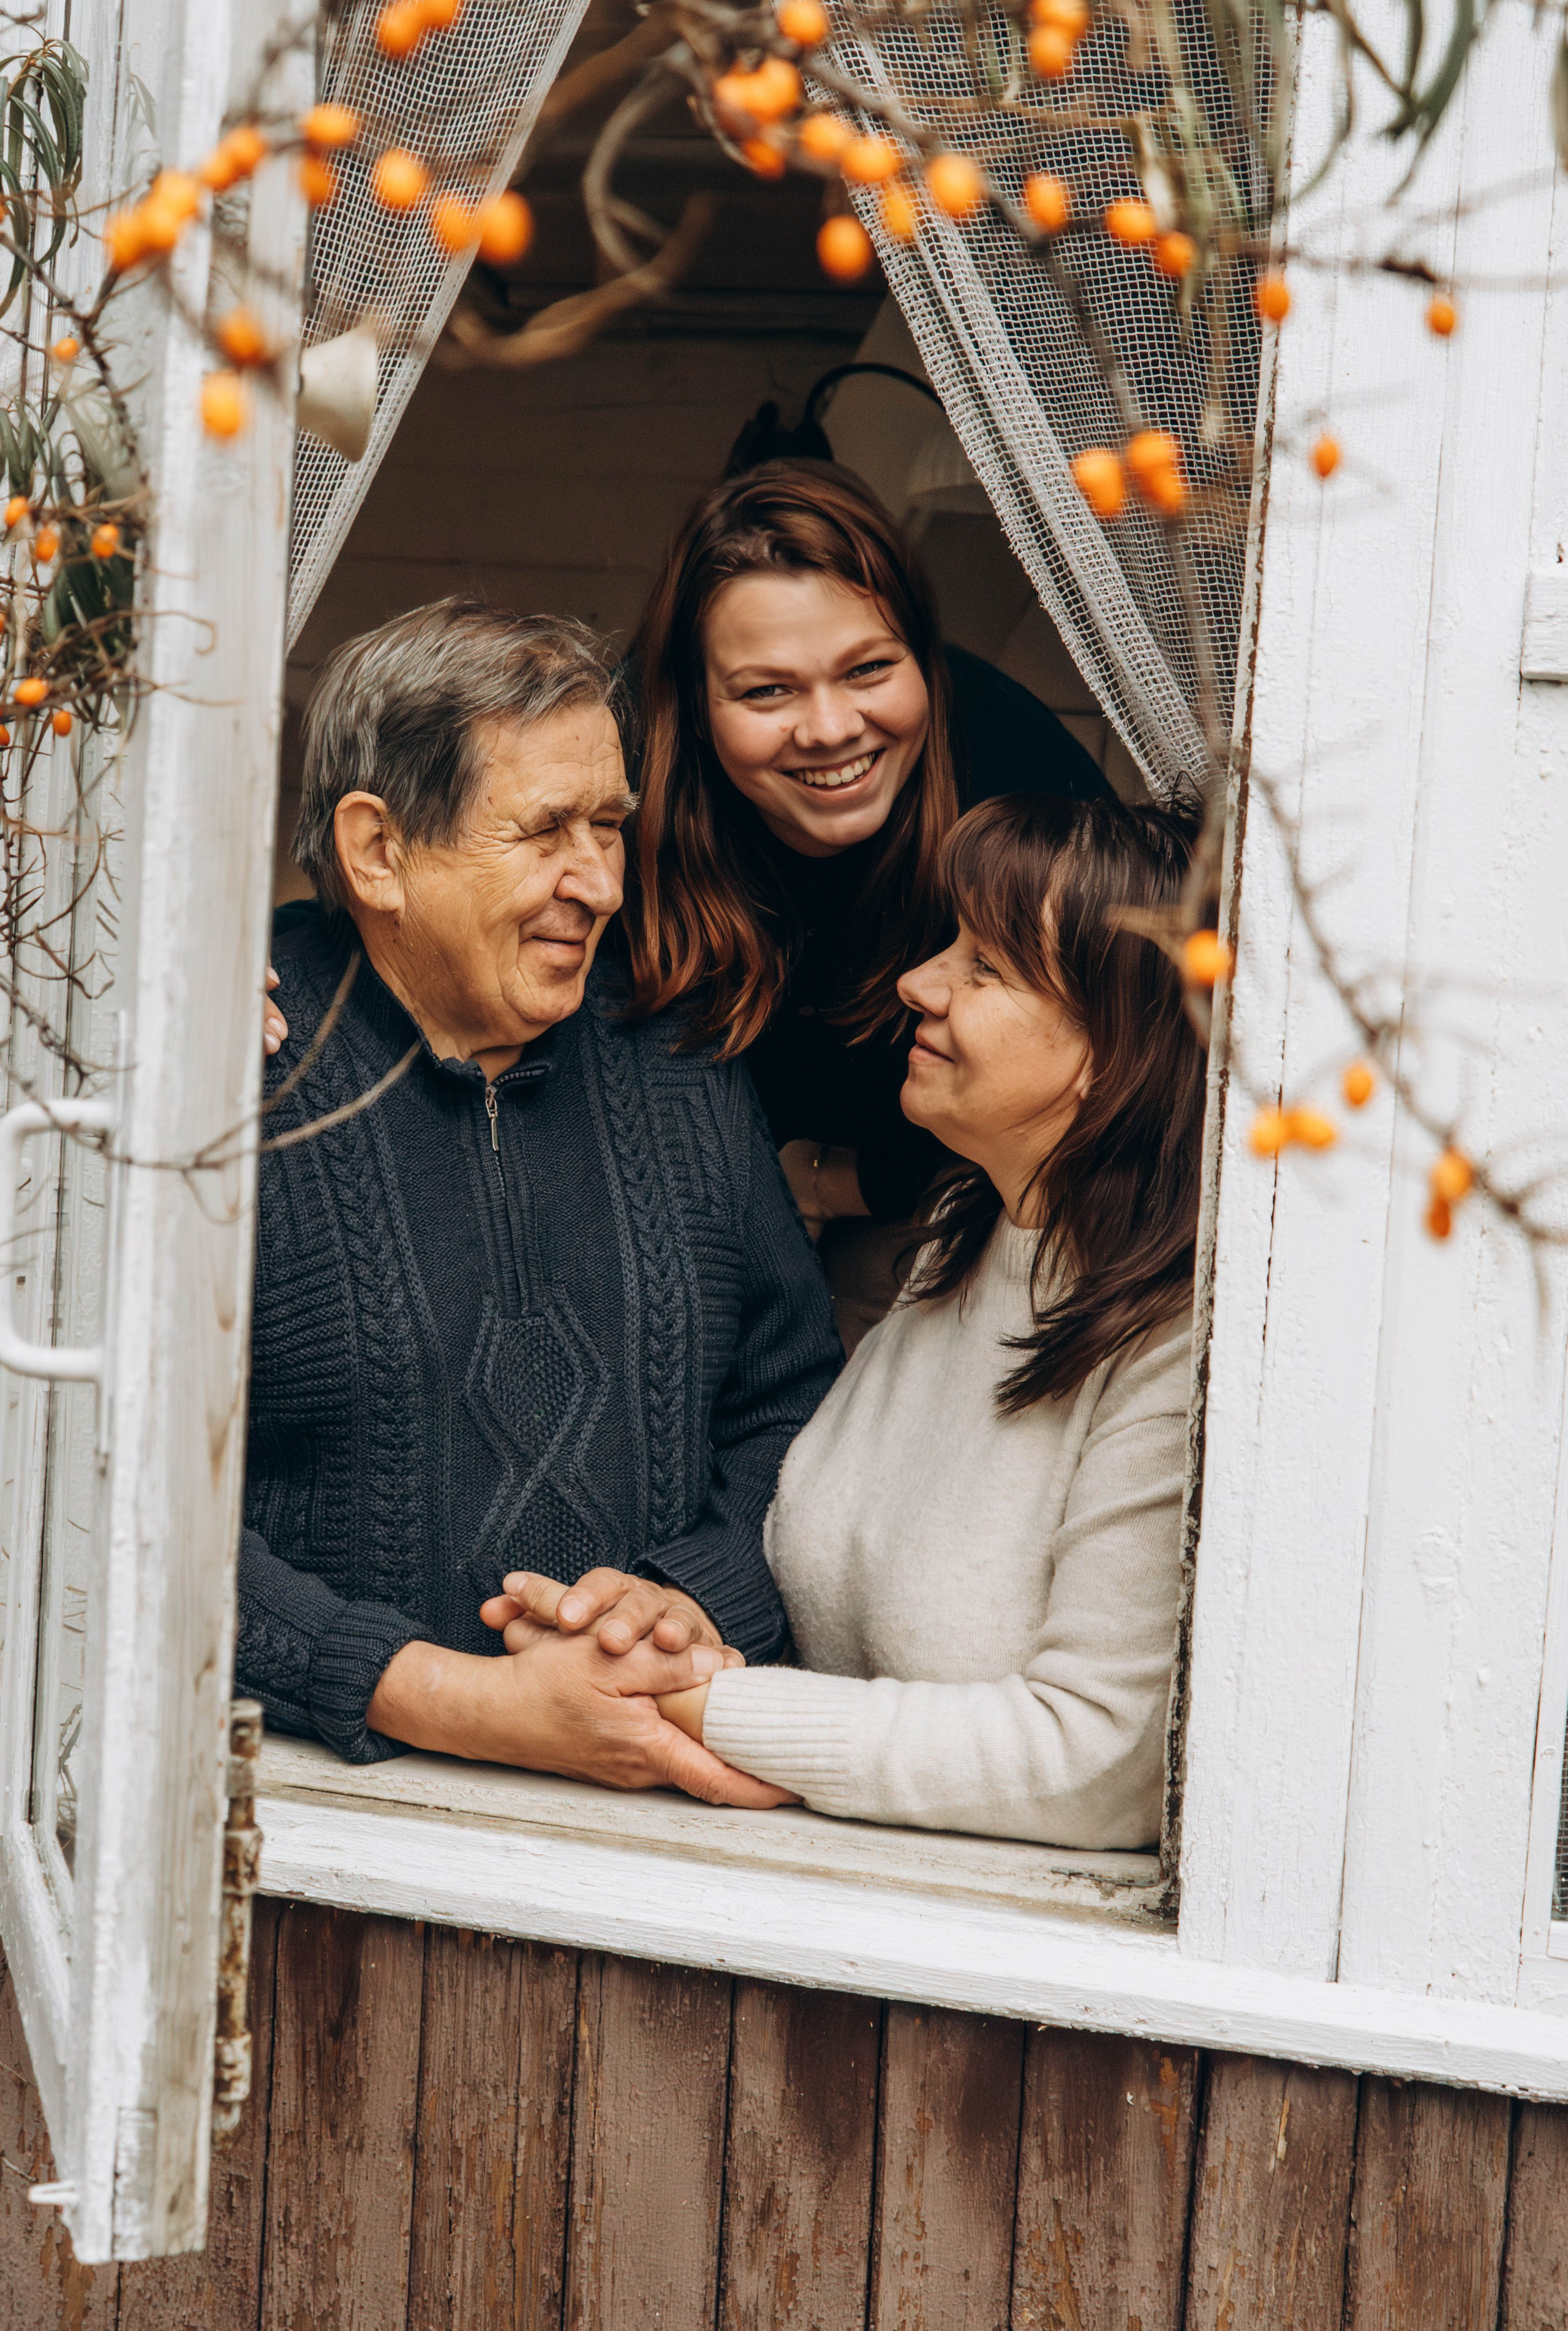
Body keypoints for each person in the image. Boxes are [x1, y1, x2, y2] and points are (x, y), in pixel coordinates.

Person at [492, 793, 1205, 1849]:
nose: (922, 981)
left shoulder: (1176, 1347)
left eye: (987, 966)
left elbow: (1098, 1760)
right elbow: (827, 1576)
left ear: (1121, 1047)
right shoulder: (969, 1234)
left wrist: (697, 1705)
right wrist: (680, 1627)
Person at [241, 597, 839, 1802]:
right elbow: (103, 1492)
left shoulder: (679, 1065)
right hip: (314, 1821)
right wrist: (445, 1698)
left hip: (653, 1813)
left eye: (610, 827)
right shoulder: (232, 1066)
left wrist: (692, 1601)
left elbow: (795, 1405)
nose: (602, 884)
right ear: (377, 853)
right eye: (545, 831)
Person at [620, 460, 1107, 1348]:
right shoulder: (614, 793)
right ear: (692, 706)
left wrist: (836, 1183)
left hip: (948, 1203)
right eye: (768, 690)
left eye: (870, 669)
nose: (832, 727)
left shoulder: (1017, 787)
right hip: (686, 1210)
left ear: (925, 657)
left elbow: (1114, 1074)